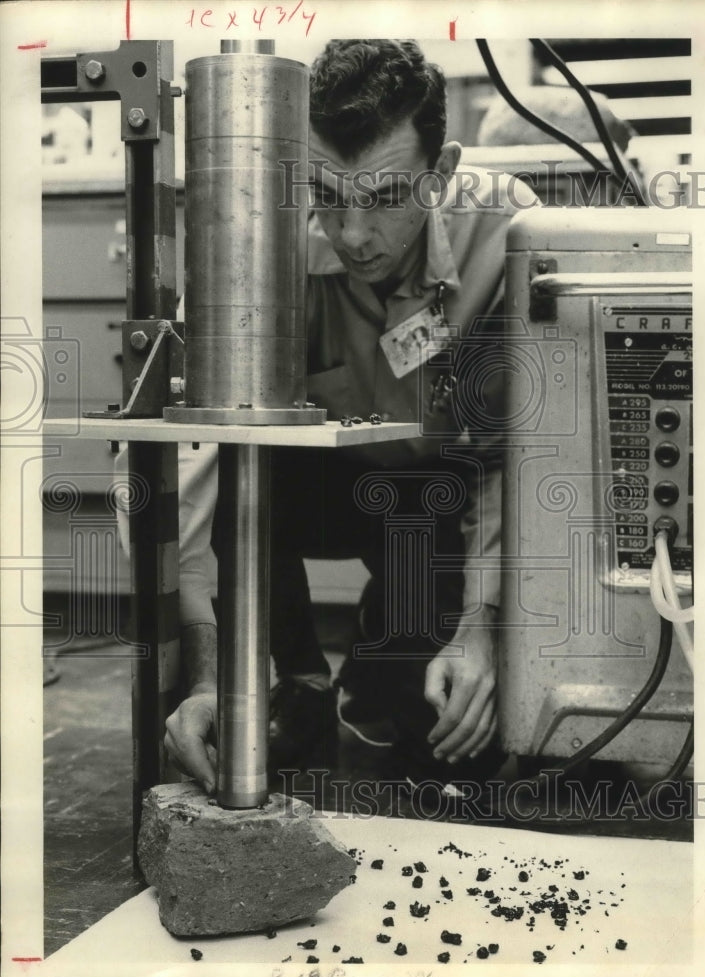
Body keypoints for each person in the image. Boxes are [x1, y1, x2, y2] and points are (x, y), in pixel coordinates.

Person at [164, 39, 537, 796]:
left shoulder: (505, 232)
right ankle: (293, 680)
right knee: (240, 468)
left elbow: (514, 458)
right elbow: (194, 456)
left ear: (441, 174)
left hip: (438, 503)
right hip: (310, 489)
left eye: (387, 197)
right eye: (327, 197)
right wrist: (206, 674)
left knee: (443, 734)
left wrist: (483, 628)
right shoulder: (255, 236)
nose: (354, 234)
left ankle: (384, 661)